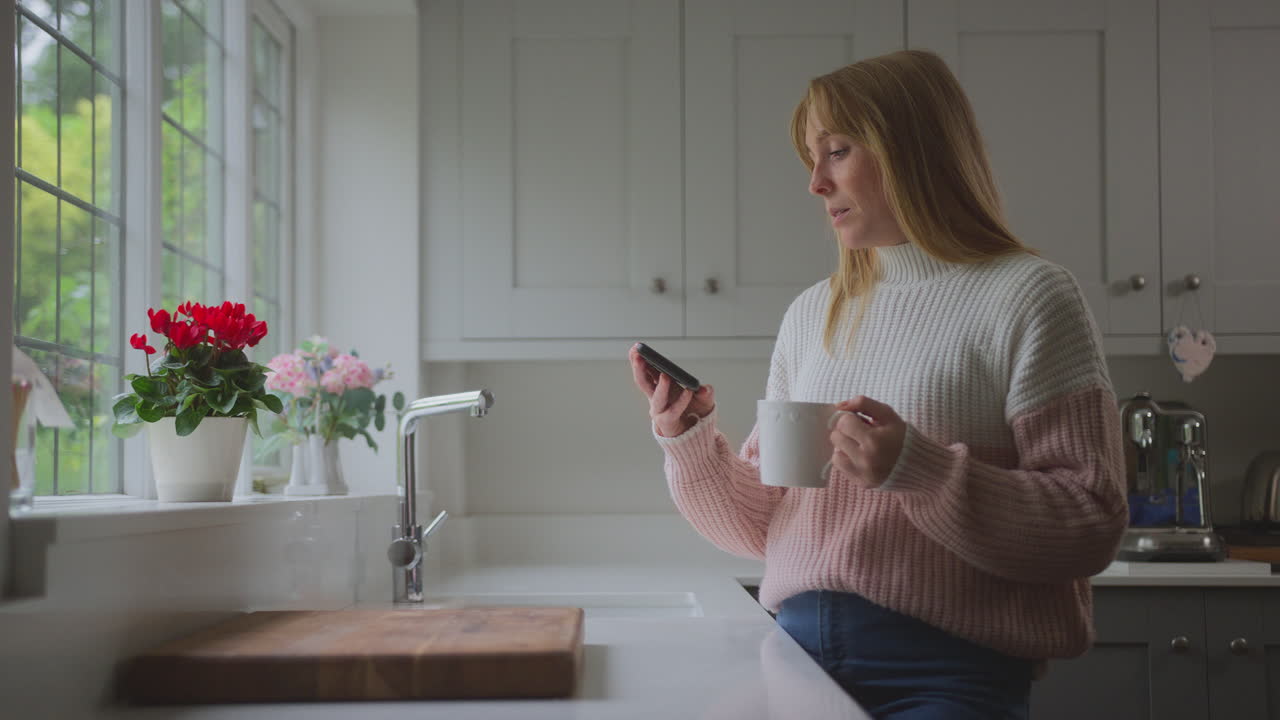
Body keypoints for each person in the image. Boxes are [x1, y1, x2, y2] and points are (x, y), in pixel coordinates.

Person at [628, 49, 1127, 719]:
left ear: (912, 152)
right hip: (797, 659)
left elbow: (1089, 521)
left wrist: (917, 471)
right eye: (812, 157)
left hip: (950, 672)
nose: (815, 183)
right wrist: (688, 441)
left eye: (837, 151)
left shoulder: (1029, 296)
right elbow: (769, 526)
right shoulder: (813, 313)